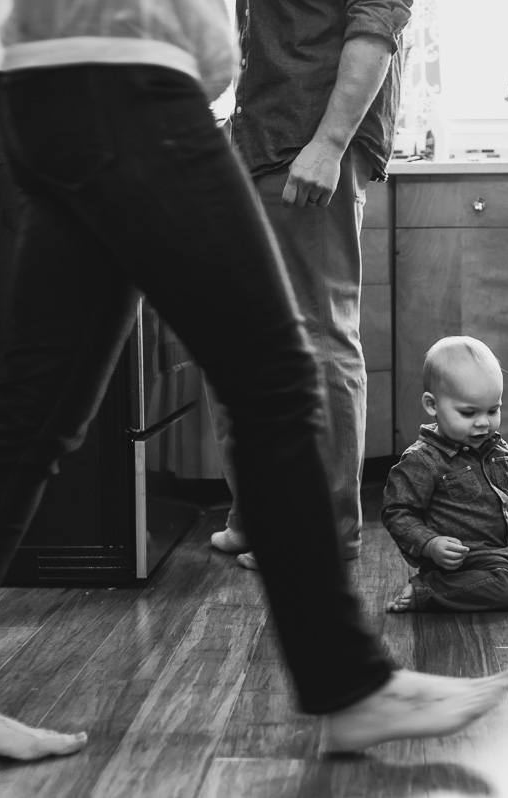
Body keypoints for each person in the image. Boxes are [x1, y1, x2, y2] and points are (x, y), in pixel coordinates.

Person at [0, 0, 508, 765]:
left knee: (32, 417)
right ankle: (350, 685)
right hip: (125, 79)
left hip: (39, 86)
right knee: (275, 378)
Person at [208, 0, 411, 571]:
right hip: (257, 139)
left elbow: (378, 20)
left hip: (307, 141)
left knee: (316, 337)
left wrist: (329, 143)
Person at [381, 336, 508, 612]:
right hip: (465, 560)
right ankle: (430, 589)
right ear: (433, 405)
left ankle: (499, 579)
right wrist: (430, 544)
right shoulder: (423, 459)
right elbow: (397, 511)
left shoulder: (499, 450)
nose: (483, 422)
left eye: (493, 410)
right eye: (469, 413)